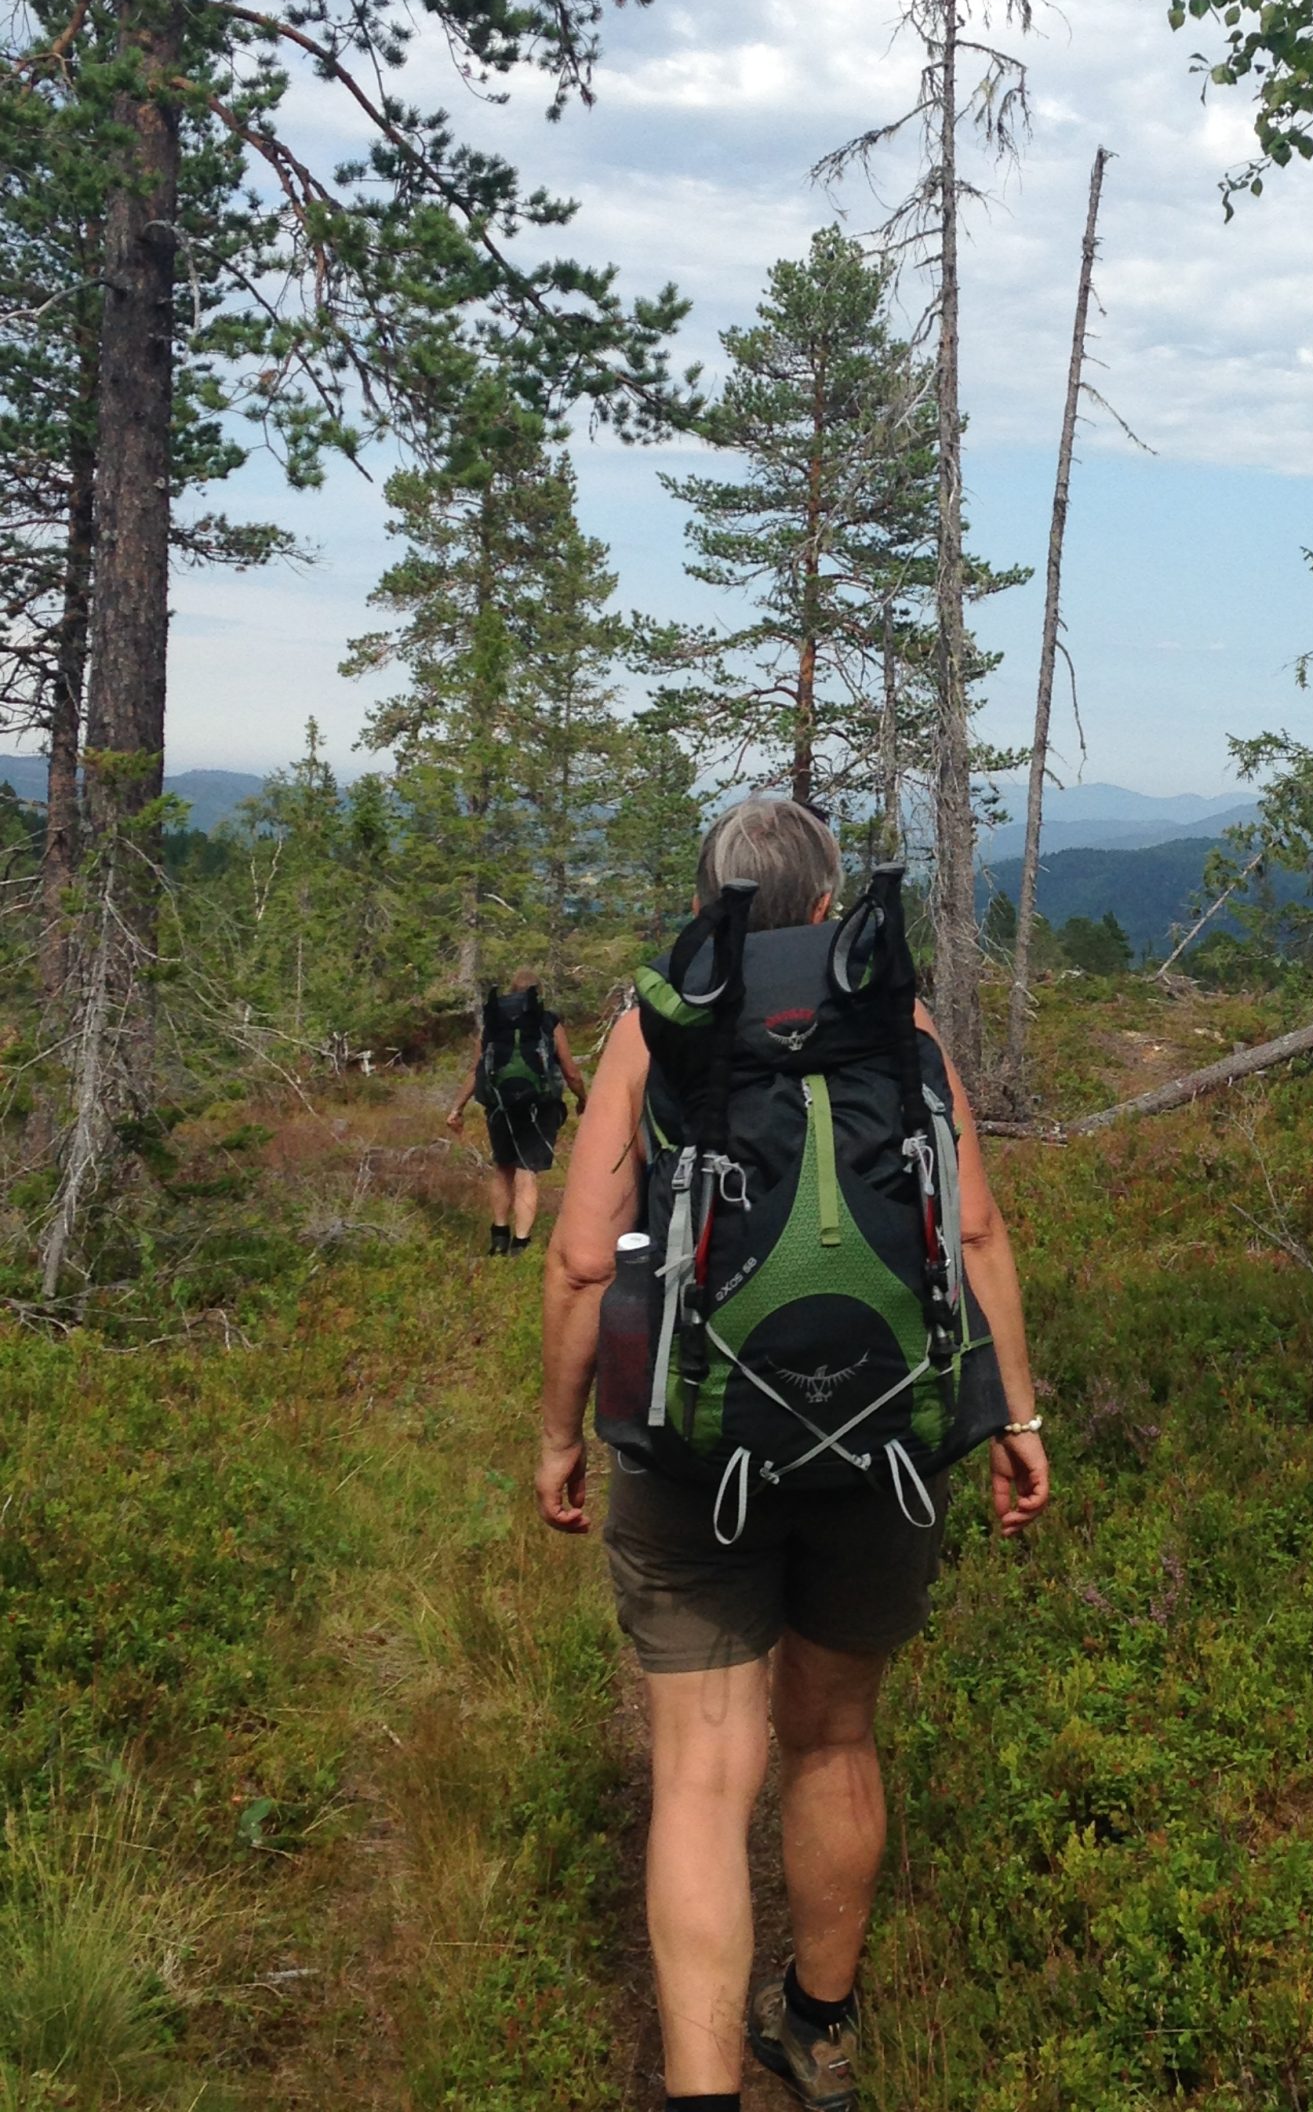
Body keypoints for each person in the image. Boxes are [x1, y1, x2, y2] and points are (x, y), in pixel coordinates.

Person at [537, 799, 1050, 2112]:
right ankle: (819, 2032)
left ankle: (703, 2089)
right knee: (833, 1737)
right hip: (883, 1450)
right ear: (827, 905)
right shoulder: (896, 1021)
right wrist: (1016, 1419)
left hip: (692, 1452)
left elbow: (584, 1259)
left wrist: (558, 1436)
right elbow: (975, 1235)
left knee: (704, 1776)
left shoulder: (655, 1027)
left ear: (705, 902)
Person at [447, 967, 587, 1254]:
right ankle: (520, 1244)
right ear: (539, 993)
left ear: (511, 991)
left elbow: (476, 1070)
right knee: (527, 1172)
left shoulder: (493, 1022)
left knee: (502, 1168)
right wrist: (584, 1099)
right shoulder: (547, 1021)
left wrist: (456, 1108)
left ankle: (499, 1237)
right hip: (540, 1107)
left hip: (499, 1106)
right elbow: (571, 1072)